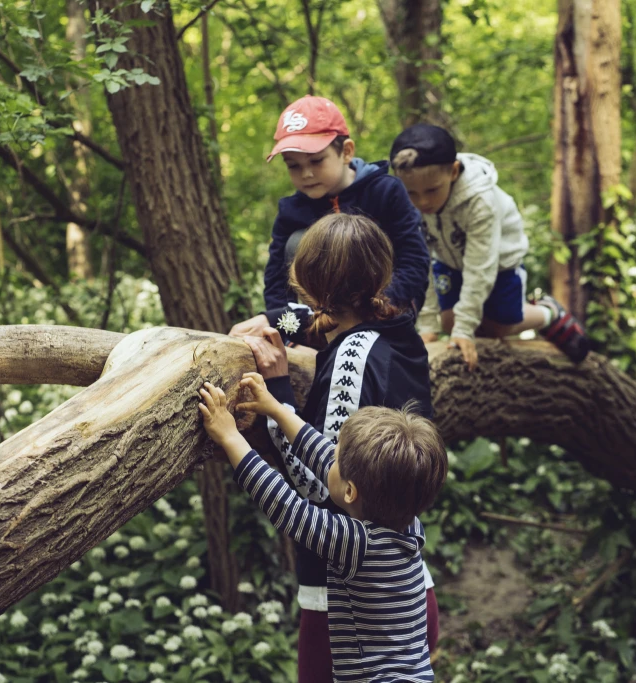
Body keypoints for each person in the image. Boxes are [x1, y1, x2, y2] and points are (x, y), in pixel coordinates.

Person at [241, 213, 438, 683]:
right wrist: (274, 322)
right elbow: (318, 318)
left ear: (306, 283)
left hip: (349, 609)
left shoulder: (353, 359)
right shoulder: (394, 321)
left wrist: (278, 389)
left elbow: (320, 483)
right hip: (404, 595)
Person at [199, 375, 448, 683]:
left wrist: (230, 437)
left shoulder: (355, 544)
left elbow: (285, 505)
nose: (331, 456)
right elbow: (325, 458)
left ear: (350, 492)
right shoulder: (408, 519)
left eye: (337, 456)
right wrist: (277, 410)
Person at [389, 124, 590, 369]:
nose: (423, 201)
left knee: (498, 327)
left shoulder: (480, 201)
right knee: (449, 322)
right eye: (412, 193)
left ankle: (548, 313)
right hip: (450, 262)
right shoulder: (415, 204)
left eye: (432, 190)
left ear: (453, 172)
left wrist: (465, 331)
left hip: (498, 265)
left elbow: (480, 267)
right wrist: (428, 328)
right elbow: (424, 264)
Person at [229, 95, 430, 338]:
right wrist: (282, 328)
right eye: (293, 165)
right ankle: (308, 339)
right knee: (297, 242)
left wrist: (383, 304)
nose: (306, 173)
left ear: (346, 152)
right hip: (324, 320)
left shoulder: (385, 192)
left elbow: (414, 260)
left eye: (316, 160)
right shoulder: (291, 211)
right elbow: (277, 281)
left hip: (385, 308)